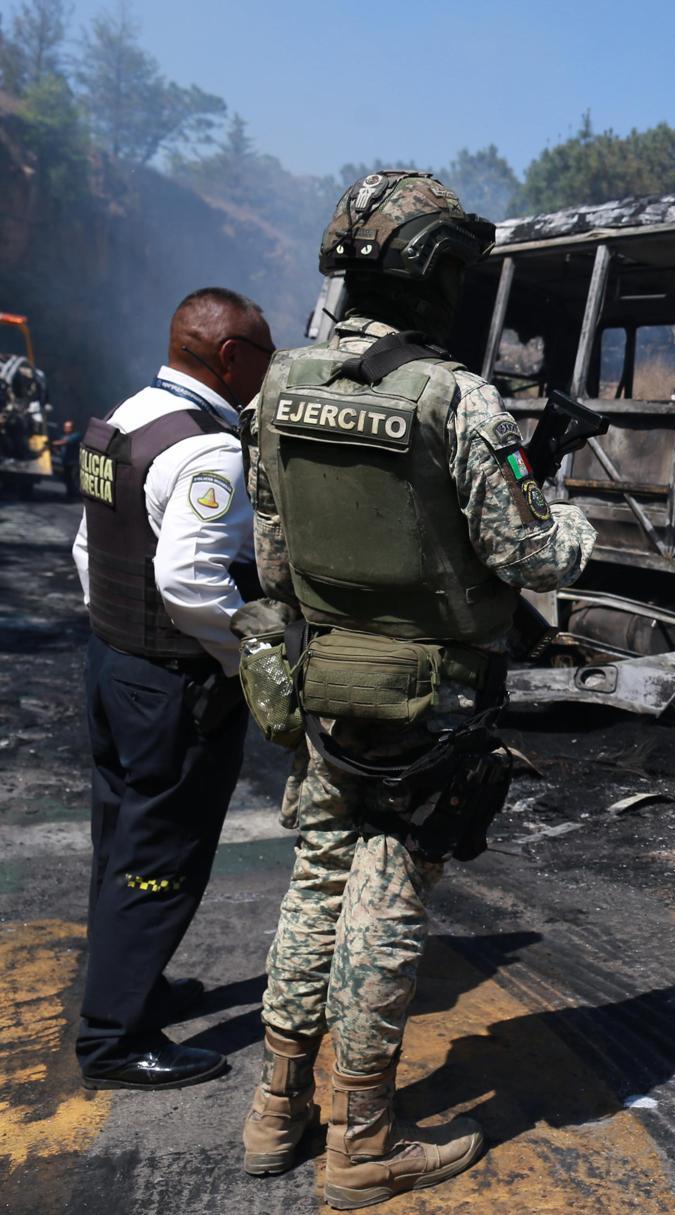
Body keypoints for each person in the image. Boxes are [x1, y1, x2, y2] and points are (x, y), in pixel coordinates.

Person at [239, 171, 594, 1208]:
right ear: (437, 276)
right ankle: (361, 1143)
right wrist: (563, 510)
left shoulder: (279, 382)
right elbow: (531, 552)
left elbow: (270, 558)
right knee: (384, 903)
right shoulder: (454, 395)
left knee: (314, 884)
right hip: (427, 699)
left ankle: (276, 1110)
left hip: (323, 678)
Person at [72, 287, 275, 1089]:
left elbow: (90, 548)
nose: (268, 367)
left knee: (121, 839)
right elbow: (191, 581)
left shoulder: (122, 418)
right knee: (162, 857)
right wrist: (245, 658)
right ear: (230, 359)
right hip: (171, 685)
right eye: (263, 352)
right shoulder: (210, 450)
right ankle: (114, 1040)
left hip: (113, 664)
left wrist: (117, 635)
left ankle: (129, 986)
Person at [54, 419, 81, 498]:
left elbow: (65, 442)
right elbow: (60, 447)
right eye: (66, 427)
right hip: (66, 462)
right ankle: (69, 494)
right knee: (67, 479)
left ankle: (75, 495)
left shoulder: (76, 435)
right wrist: (57, 451)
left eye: (69, 427)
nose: (67, 428)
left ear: (72, 428)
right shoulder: (62, 436)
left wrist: (53, 443)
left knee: (74, 479)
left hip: (74, 462)